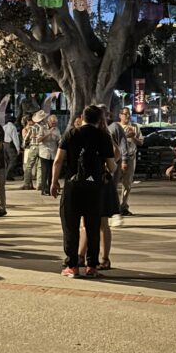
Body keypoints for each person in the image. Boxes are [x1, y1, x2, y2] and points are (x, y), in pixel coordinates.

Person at [51, 104, 115, 278]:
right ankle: (91, 266)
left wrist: (54, 182)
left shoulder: (71, 133)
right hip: (95, 187)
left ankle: (72, 266)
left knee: (70, 226)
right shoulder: (103, 136)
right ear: (99, 119)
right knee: (92, 226)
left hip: (73, 186)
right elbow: (112, 165)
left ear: (82, 116)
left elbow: (58, 161)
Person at [118, 107, 143, 214]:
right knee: (112, 183)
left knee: (127, 184)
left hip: (130, 158)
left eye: (129, 114)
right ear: (120, 115)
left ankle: (123, 206)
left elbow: (141, 142)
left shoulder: (135, 127)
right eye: (125, 114)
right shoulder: (116, 127)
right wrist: (124, 136)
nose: (127, 116)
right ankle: (112, 206)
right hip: (117, 158)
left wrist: (133, 137)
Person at [38, 114, 61, 196]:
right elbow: (39, 140)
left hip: (53, 152)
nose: (54, 125)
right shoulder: (42, 128)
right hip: (44, 153)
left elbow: (59, 140)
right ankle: (43, 189)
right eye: (53, 123)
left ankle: (50, 189)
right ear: (49, 122)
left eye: (55, 123)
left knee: (52, 172)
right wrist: (48, 134)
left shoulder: (57, 130)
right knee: (44, 172)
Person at [21, 110, 45, 189]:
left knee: (29, 166)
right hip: (42, 147)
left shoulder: (33, 127)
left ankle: (27, 184)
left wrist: (24, 145)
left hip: (33, 146)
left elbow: (26, 138)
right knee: (40, 166)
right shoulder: (45, 127)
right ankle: (40, 184)